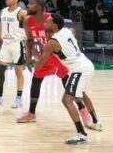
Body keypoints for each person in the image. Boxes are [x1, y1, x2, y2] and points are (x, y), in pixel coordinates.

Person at [35, 13, 103, 144]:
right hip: (86, 64)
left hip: (79, 69)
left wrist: (38, 52)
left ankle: (82, 135)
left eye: (47, 22)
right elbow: (73, 31)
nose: (44, 24)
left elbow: (40, 65)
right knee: (82, 95)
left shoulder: (52, 43)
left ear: (55, 25)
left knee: (67, 100)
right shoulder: (67, 30)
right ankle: (96, 122)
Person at [0, 0, 28, 109]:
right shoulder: (3, 11)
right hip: (6, 44)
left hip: (18, 43)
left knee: (18, 71)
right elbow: (1, 29)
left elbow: (30, 27)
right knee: (0, 70)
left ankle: (19, 98)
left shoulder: (22, 12)